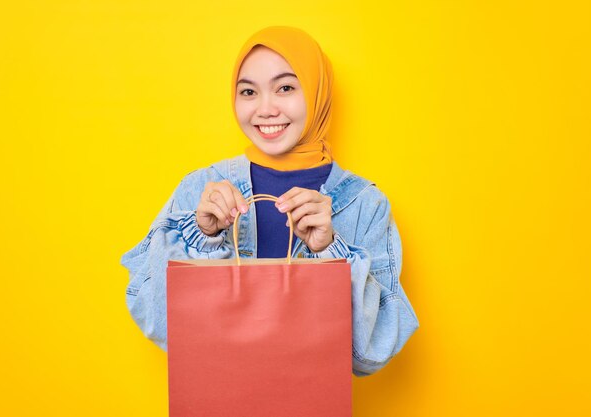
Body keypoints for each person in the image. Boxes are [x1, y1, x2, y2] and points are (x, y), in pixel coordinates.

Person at [120, 26, 419, 377]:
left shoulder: (364, 204)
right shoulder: (203, 188)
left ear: (317, 92)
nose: (265, 109)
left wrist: (331, 253)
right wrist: (202, 239)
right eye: (248, 91)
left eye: (286, 88)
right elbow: (156, 320)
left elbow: (373, 353)